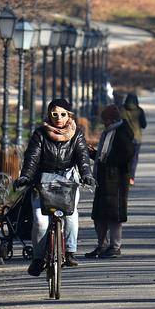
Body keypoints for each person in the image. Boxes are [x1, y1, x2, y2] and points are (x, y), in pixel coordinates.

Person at [14, 97, 95, 276]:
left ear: (69, 115)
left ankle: (70, 251)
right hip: (42, 181)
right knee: (40, 221)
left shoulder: (77, 134)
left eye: (63, 114)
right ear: (49, 115)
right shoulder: (40, 134)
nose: (59, 117)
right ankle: (38, 258)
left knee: (71, 215)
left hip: (67, 182)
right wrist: (26, 176)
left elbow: (83, 157)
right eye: (55, 114)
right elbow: (32, 158)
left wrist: (87, 175)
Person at [85, 105, 137, 258]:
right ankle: (102, 245)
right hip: (104, 179)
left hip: (116, 181)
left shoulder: (121, 132)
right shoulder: (109, 132)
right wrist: (94, 154)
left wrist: (109, 162)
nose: (104, 124)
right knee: (99, 216)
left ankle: (114, 246)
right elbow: (104, 156)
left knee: (114, 216)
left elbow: (127, 154)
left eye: (105, 121)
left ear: (111, 120)